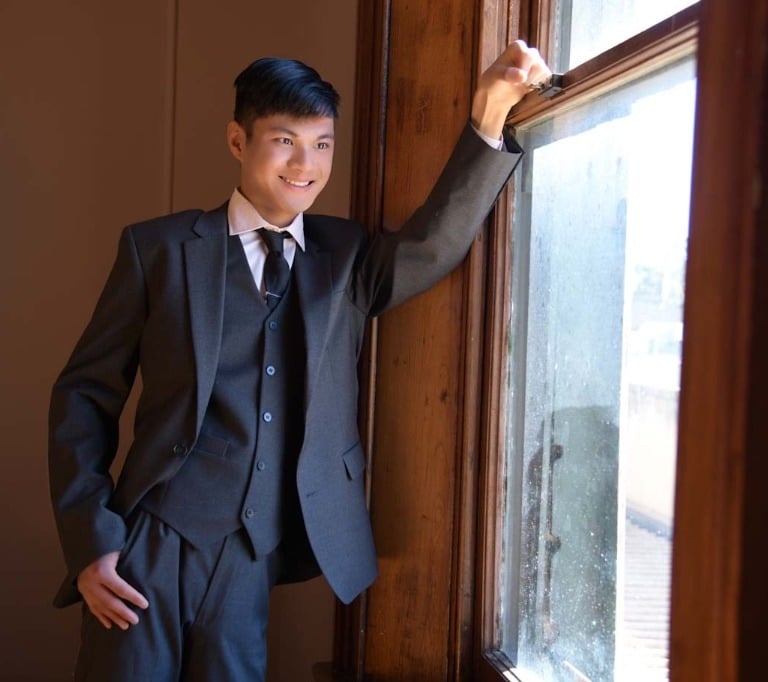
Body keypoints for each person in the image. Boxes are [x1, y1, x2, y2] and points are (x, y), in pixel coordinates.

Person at [48, 40, 550, 681]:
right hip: (150, 542)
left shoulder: (344, 255)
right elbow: (83, 395)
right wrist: (93, 544)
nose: (305, 164)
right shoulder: (161, 249)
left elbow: (432, 245)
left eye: (322, 144)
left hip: (252, 555)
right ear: (238, 140)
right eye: (284, 140)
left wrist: (487, 119)